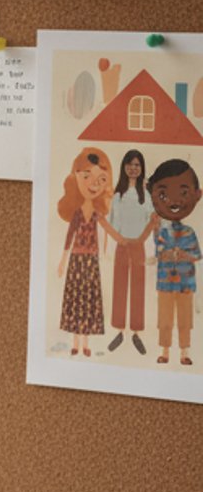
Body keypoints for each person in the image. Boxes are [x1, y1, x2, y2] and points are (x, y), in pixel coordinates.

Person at [55, 147, 113, 357]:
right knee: (75, 299)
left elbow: (107, 230)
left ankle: (86, 343)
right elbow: (69, 237)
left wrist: (122, 242)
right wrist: (63, 261)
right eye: (87, 176)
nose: (93, 184)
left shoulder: (97, 214)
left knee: (88, 301)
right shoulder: (77, 214)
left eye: (101, 179)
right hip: (76, 260)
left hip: (92, 260)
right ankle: (75, 342)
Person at [148, 157, 200, 364]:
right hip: (165, 282)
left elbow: (197, 255)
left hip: (186, 283)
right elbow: (158, 251)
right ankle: (165, 352)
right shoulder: (162, 232)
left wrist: (184, 255)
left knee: (185, 320)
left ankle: (185, 353)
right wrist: (155, 229)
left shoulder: (189, 232)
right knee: (165, 319)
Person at [107, 149, 155, 354]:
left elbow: (152, 219)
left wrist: (146, 242)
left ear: (141, 168)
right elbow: (112, 221)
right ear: (124, 167)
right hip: (121, 245)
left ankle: (136, 333)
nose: (133, 168)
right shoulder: (118, 194)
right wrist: (116, 242)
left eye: (137, 165)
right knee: (119, 286)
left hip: (139, 245)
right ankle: (119, 330)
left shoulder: (146, 195)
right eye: (129, 164)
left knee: (137, 287)